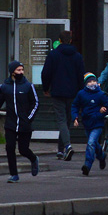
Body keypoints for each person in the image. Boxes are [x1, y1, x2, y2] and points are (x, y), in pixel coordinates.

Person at [0, 61, 40, 183]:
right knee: (10, 147)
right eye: (18, 70)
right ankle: (14, 174)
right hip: (11, 123)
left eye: (22, 70)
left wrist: (29, 118)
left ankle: (34, 159)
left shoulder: (28, 86)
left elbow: (35, 103)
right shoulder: (5, 87)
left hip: (25, 124)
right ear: (12, 72)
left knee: (23, 150)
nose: (21, 72)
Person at [40, 30, 85, 161]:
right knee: (67, 120)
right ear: (70, 40)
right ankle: (61, 150)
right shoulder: (77, 56)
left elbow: (45, 73)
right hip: (73, 93)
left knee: (61, 120)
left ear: (59, 40)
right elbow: (80, 76)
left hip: (58, 92)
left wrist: (46, 88)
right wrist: (81, 92)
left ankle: (67, 146)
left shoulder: (53, 55)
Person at [71, 72, 108, 176]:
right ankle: (101, 156)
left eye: (94, 81)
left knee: (91, 143)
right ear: (85, 83)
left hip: (98, 123)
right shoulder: (81, 94)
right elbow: (75, 105)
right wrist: (75, 117)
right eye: (89, 81)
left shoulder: (101, 94)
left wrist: (103, 111)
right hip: (87, 122)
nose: (92, 83)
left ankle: (87, 165)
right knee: (93, 143)